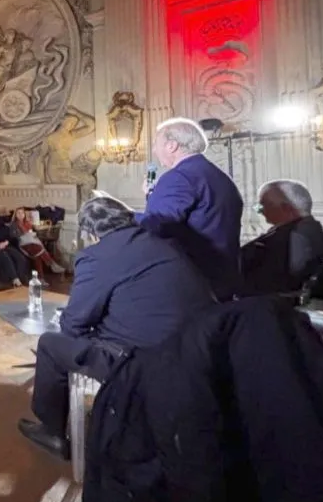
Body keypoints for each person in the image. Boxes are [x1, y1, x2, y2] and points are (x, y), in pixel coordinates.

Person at [18, 196, 214, 459]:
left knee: (50, 344)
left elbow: (73, 324)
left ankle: (53, 432)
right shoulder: (165, 244)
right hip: (197, 351)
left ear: (90, 233)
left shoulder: (98, 256)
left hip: (140, 362)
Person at [136, 117, 243, 299]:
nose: (154, 150)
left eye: (156, 143)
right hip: (222, 276)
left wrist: (117, 214)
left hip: (192, 281)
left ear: (171, 146)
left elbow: (156, 226)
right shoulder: (216, 175)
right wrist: (152, 196)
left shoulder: (179, 177)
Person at [241, 180, 323, 296]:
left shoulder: (297, 235)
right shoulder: (307, 229)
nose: (259, 211)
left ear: (286, 208)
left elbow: (292, 279)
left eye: (262, 206)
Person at [10, 208, 65, 276]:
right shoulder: (13, 224)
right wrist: (25, 233)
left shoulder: (27, 223)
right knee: (38, 248)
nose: (21, 215)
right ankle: (51, 264)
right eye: (18, 213)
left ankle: (41, 277)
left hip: (31, 241)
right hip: (23, 243)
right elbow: (13, 236)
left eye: (22, 213)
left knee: (37, 255)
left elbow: (32, 231)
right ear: (15, 215)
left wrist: (31, 230)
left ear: (24, 214)